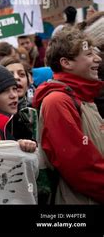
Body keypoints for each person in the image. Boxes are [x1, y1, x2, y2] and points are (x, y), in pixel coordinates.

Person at [33, 28, 104, 204]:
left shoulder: (84, 98)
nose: (98, 59)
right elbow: (79, 166)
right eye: (88, 54)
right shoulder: (58, 101)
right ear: (66, 63)